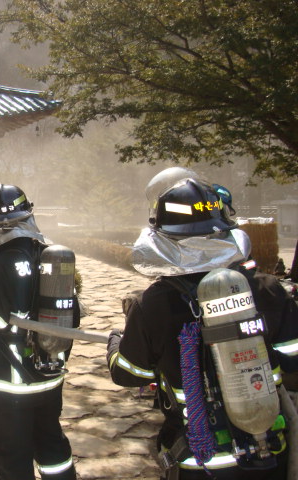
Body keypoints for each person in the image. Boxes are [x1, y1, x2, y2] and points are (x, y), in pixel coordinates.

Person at [106, 167, 298, 479]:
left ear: (163, 237)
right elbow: (292, 358)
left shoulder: (152, 304)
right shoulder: (267, 289)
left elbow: (130, 374)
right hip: (268, 455)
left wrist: (115, 342)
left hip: (199, 461)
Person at [0, 184, 78, 480]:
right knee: (52, 448)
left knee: (11, 462)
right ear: (28, 215)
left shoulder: (0, 266)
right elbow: (71, 316)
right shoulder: (49, 257)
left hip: (9, 391)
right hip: (49, 382)